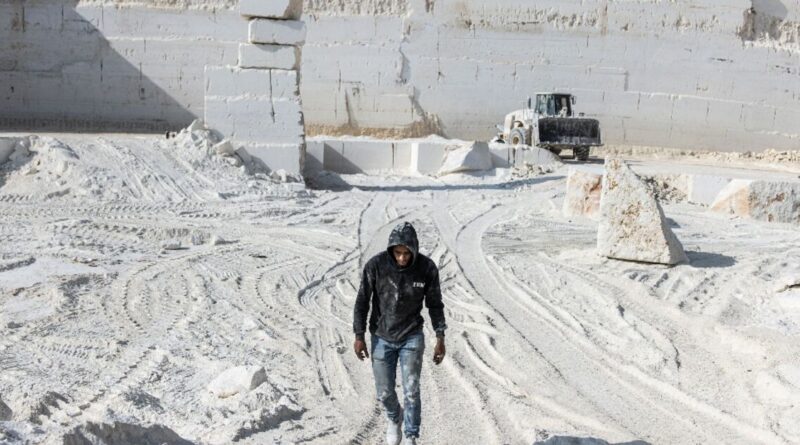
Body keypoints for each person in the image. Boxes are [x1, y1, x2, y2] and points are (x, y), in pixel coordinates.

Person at [353, 222, 447, 445]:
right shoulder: (375, 266)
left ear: (413, 250)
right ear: (391, 250)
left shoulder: (427, 269)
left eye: (407, 253)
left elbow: (435, 304)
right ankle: (395, 418)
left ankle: (411, 436)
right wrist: (359, 336)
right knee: (384, 392)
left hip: (411, 336)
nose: (402, 258)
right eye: (398, 253)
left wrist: (440, 336)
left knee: (412, 389)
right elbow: (362, 302)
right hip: (381, 336)